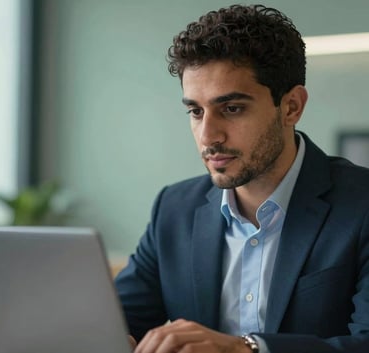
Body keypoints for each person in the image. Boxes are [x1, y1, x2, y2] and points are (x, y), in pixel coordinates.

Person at [115, 4, 369, 353]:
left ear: (292, 106)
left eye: (232, 109)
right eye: (195, 111)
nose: (208, 136)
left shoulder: (362, 206)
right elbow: (117, 321)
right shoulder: (173, 209)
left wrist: (245, 349)